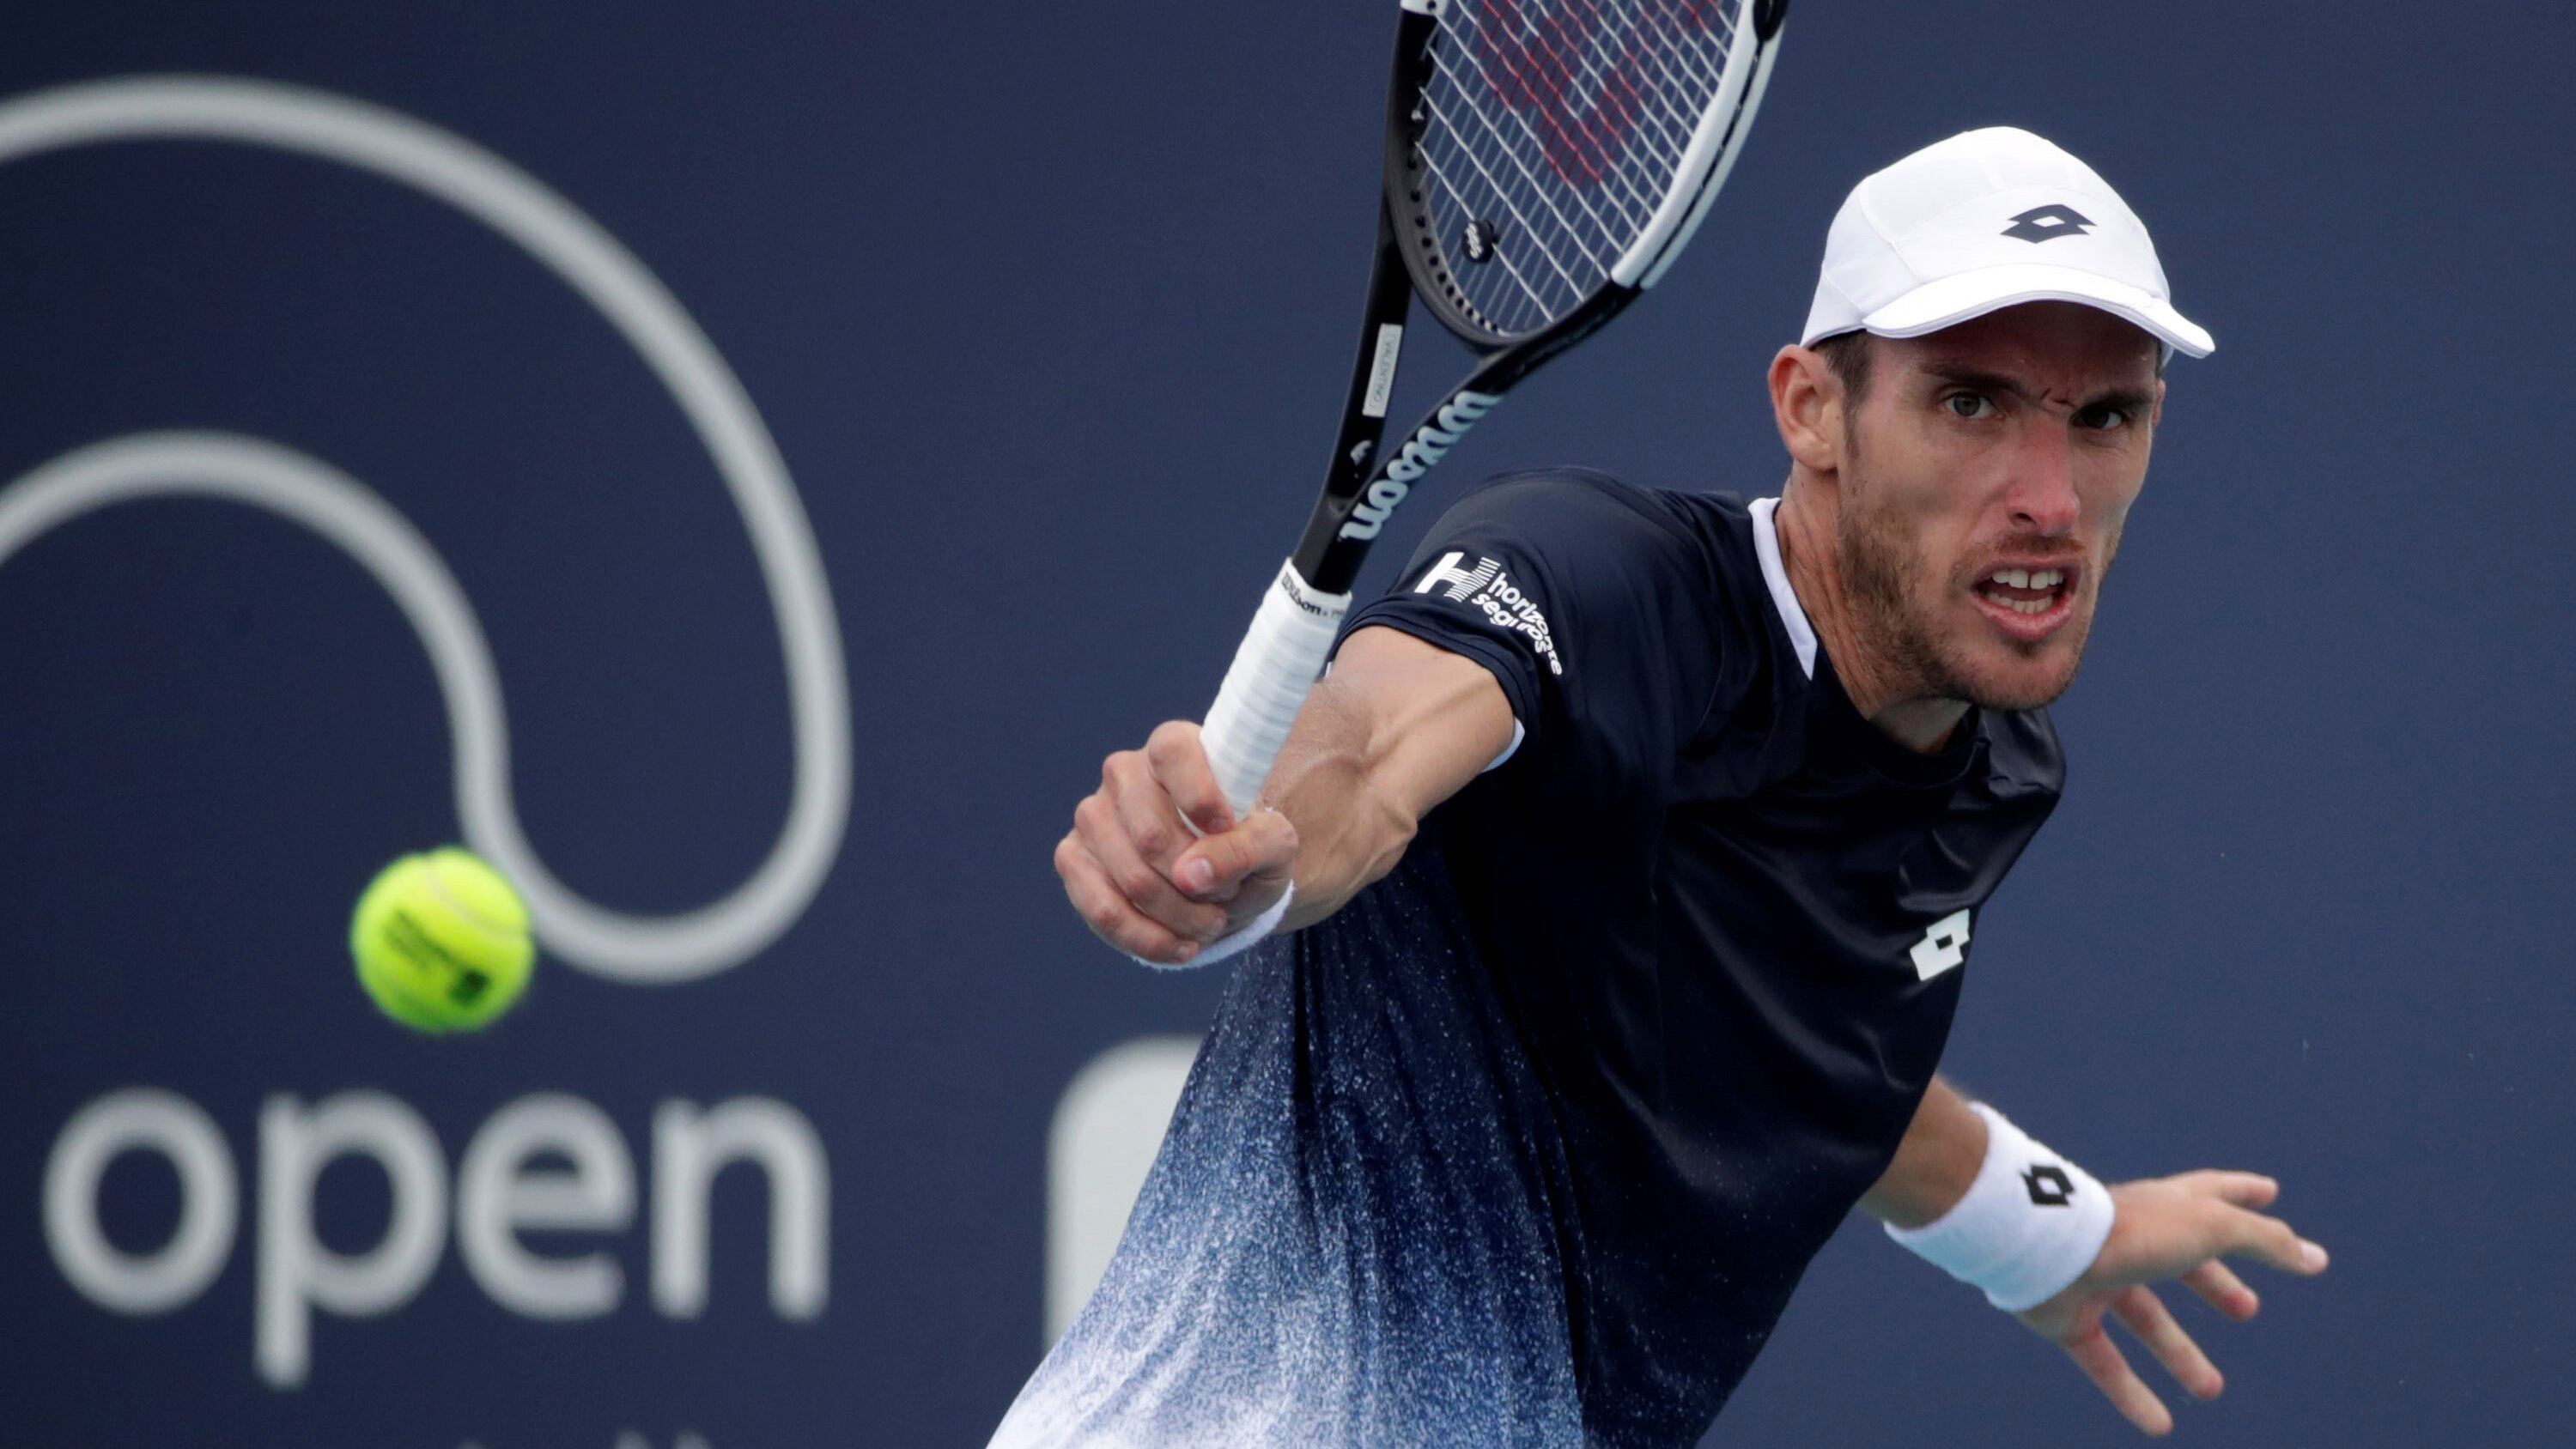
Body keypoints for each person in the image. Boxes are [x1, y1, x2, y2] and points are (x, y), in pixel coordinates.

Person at [999, 127, 2328, 1447]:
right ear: (1811, 406)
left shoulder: (1990, 772)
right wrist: (1262, 852)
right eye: (1969, 402)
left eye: (2107, 417)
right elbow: (1371, 748)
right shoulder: (1598, 579)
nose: (2049, 497)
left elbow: (1808, 1069)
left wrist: (2047, 1235)